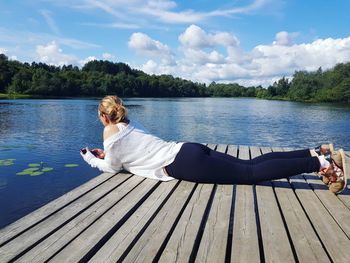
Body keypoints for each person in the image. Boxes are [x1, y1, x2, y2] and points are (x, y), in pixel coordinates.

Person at [81, 95, 348, 194]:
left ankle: (321, 162)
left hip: (182, 163)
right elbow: (126, 154)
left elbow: (114, 167)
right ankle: (316, 151)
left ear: (104, 116)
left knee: (249, 174)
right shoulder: (130, 124)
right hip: (187, 149)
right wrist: (109, 155)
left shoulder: (109, 131)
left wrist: (92, 158)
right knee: (250, 164)